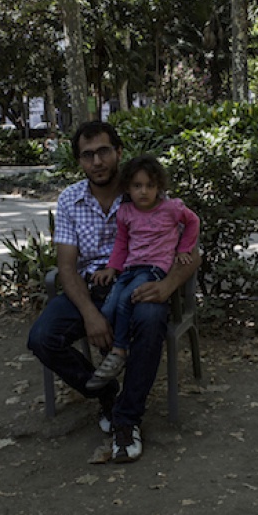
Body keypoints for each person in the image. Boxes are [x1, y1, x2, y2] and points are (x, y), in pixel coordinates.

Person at [27, 121, 200, 463]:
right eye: (87, 155)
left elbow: (192, 252)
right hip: (91, 288)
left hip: (143, 282)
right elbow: (66, 268)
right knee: (42, 338)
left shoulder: (142, 187)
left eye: (104, 151)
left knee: (150, 319)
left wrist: (167, 286)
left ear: (119, 152)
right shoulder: (70, 200)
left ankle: (126, 420)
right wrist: (91, 315)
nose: (97, 161)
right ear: (79, 161)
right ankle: (108, 392)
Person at [85, 155, 200, 390]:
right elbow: (121, 243)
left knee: (127, 300)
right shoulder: (125, 212)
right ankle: (113, 355)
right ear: (127, 187)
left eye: (150, 185)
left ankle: (119, 351)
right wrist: (112, 268)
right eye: (137, 186)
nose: (144, 191)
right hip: (130, 269)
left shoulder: (171, 208)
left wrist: (183, 249)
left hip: (155, 269)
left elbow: (193, 222)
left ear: (159, 187)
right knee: (108, 307)